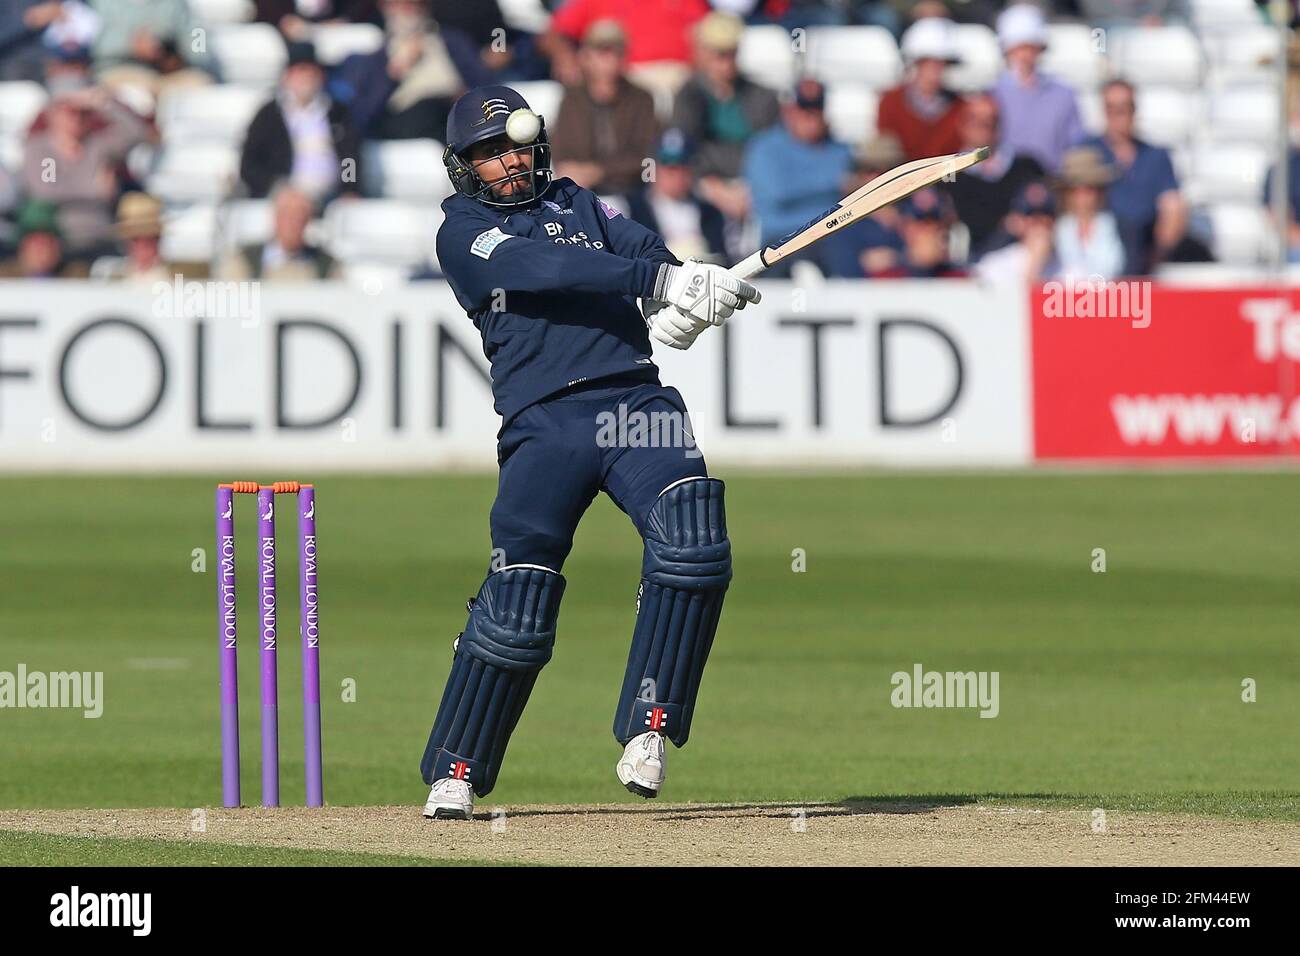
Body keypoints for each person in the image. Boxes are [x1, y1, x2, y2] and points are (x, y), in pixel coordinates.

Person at [420, 84, 759, 819]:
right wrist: (657, 280)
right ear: (463, 167)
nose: (505, 163)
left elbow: (647, 255)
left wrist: (688, 300)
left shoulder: (584, 204)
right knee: (519, 605)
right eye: (487, 155)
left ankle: (650, 726)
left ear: (535, 145)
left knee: (696, 544)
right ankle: (457, 767)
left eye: (512, 147)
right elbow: (540, 271)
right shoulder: (462, 231)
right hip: (545, 423)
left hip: (637, 401)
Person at [22, 72, 154, 259]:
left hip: (101, 237)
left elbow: (137, 133)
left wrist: (103, 102)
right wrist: (95, 188)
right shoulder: (39, 149)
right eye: (70, 111)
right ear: (53, 113)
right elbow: (45, 192)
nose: (77, 118)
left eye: (83, 112)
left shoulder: (99, 145)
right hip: (59, 243)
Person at [669, 11, 778, 236]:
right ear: (704, 54)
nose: (726, 62)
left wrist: (753, 187)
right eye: (719, 54)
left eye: (731, 53)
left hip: (754, 185)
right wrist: (714, 187)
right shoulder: (689, 96)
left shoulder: (761, 94)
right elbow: (685, 149)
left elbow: (771, 146)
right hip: (705, 186)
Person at [743, 78, 852, 276]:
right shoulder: (765, 147)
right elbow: (779, 193)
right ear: (789, 111)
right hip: (781, 240)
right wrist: (834, 185)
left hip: (831, 237)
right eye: (804, 109)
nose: (811, 117)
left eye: (817, 108)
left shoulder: (839, 149)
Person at [1081, 79, 1187, 276]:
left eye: (1125, 107)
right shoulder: (1087, 151)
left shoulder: (1156, 155)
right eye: (1112, 108)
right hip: (1102, 240)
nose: (1119, 114)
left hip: (1145, 242)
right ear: (1103, 111)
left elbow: (1171, 202)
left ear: (1135, 110)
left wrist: (1158, 252)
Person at [550, 20, 660, 199]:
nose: (610, 60)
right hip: (583, 192)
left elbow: (647, 158)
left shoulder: (641, 99)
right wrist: (573, 172)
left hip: (632, 193)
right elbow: (560, 151)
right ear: (586, 57)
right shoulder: (572, 98)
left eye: (616, 53)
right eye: (602, 52)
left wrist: (599, 171)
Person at [240, 42, 362, 201]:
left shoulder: (337, 112)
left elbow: (349, 157)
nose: (306, 79)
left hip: (330, 197)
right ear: (287, 77)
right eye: (299, 72)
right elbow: (250, 163)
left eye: (311, 72)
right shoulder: (269, 115)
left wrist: (349, 188)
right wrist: (277, 187)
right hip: (285, 197)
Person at [328, 0, 462, 141]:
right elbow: (362, 115)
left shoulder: (451, 41)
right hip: (408, 119)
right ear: (386, 7)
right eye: (403, 4)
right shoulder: (374, 55)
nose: (411, 9)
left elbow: (478, 80)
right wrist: (395, 71)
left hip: (454, 109)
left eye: (417, 4)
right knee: (433, 110)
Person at [943, 92, 1044, 259]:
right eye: (975, 119)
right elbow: (955, 216)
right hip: (972, 257)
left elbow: (1044, 204)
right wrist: (1004, 224)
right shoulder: (949, 173)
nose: (985, 125)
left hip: (1022, 252)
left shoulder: (1027, 167)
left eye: (991, 120)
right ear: (961, 125)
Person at [992, 3, 1083, 175]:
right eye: (1019, 48)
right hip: (1005, 187)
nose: (1025, 55)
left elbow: (1074, 143)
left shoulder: (1063, 94)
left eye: (1031, 48)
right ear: (1007, 50)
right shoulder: (992, 94)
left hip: (1053, 183)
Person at [627, 129, 728, 262]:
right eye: (669, 167)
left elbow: (723, 258)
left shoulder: (710, 213)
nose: (677, 175)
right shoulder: (632, 210)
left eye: (683, 167)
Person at [876, 16, 965, 161]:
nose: (938, 70)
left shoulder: (961, 106)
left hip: (950, 181)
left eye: (943, 63)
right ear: (915, 63)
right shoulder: (890, 102)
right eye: (930, 63)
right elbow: (886, 156)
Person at [819, 134, 905, 278]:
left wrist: (900, 258)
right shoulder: (843, 222)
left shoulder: (918, 211)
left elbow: (934, 260)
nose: (878, 177)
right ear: (858, 173)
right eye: (869, 169)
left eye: (889, 170)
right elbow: (846, 273)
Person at [218, 183, 335, 279]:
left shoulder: (326, 265)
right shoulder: (244, 260)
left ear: (308, 220)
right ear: (275, 217)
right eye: (286, 214)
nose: (293, 222)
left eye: (300, 215)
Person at [1053, 146, 1124, 278]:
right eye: (1074, 190)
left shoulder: (1119, 226)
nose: (1082, 197)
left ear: (1100, 192)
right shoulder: (1056, 228)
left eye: (1088, 189)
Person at [865, 187, 967, 278]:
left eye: (930, 225)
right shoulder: (887, 274)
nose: (923, 232)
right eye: (920, 224)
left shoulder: (956, 278)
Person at [974, 179, 1060, 284]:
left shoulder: (1069, 263)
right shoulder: (995, 265)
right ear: (1017, 221)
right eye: (1031, 216)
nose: (1039, 223)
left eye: (1046, 215)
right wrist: (1033, 267)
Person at [0, 199, 90, 277]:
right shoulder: (5, 276)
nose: (43, 250)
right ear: (23, 246)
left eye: (49, 242)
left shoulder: (76, 275)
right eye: (36, 242)